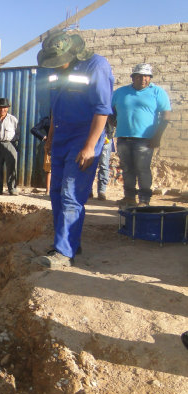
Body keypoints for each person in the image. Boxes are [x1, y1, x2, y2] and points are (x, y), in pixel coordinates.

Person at [33, 31, 114, 268]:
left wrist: (90, 147)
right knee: (56, 191)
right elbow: (55, 107)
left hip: (84, 136)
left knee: (71, 193)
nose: (55, 66)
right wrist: (51, 136)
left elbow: (102, 109)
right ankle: (69, 243)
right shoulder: (56, 70)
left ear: (73, 53)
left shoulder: (96, 66)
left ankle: (63, 252)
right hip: (61, 135)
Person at [112, 63, 172, 207]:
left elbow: (166, 116)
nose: (143, 79)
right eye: (139, 76)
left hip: (145, 140)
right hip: (123, 138)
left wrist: (157, 136)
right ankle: (129, 197)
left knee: (142, 169)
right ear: (133, 77)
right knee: (126, 168)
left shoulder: (157, 92)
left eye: (146, 76)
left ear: (150, 78)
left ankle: (144, 200)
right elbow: (110, 110)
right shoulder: (120, 92)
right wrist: (115, 122)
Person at [0, 97, 19, 195]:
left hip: (9, 144)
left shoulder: (13, 119)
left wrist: (13, 144)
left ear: (8, 108)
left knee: (11, 167)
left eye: (4, 107)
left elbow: (17, 132)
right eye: (0, 107)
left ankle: (12, 189)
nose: (2, 109)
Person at [31, 116, 51, 195]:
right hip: (50, 147)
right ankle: (48, 190)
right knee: (49, 169)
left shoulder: (64, 118)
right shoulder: (47, 120)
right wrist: (44, 137)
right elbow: (34, 129)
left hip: (63, 146)